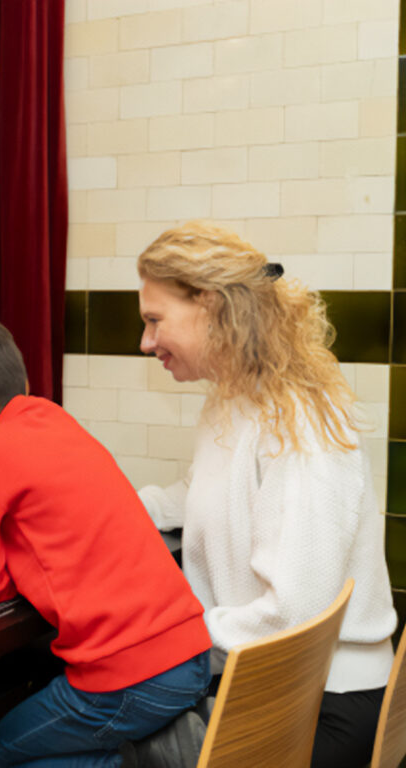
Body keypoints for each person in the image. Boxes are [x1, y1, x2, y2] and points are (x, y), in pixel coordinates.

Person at [135, 221, 396, 768]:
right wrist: (109, 509)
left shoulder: (298, 419)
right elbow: (201, 492)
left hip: (323, 700)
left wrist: (165, 638)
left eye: (155, 321)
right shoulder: (234, 397)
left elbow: (293, 610)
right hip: (262, 676)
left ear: (210, 306)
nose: (146, 343)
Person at [0, 310, 212, 768]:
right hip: (190, 653)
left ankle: (136, 758)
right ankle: (139, 749)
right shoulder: (50, 417)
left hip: (127, 678)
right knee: (58, 745)